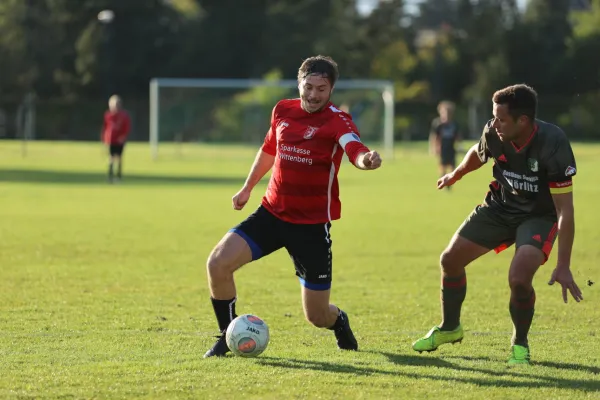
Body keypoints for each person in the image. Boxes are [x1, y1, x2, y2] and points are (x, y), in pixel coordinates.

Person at [204, 55, 382, 358]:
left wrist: (367, 160)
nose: (313, 95)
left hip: (311, 228)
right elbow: (269, 149)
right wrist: (247, 187)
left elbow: (354, 148)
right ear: (299, 83)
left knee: (316, 316)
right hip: (271, 214)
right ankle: (226, 335)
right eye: (308, 87)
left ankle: (338, 320)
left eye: (321, 89)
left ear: (331, 90)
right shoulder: (283, 110)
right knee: (217, 264)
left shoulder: (338, 121)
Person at [412, 84, 583, 365]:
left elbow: (565, 209)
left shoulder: (553, 142)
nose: (494, 123)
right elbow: (478, 154)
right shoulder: (495, 131)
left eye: (502, 118)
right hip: (500, 207)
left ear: (523, 121)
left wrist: (563, 265)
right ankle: (450, 328)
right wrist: (456, 174)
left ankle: (520, 343)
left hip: (538, 216)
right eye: (494, 117)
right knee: (450, 260)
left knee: (518, 279)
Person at [429, 101, 461, 189]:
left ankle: (449, 181)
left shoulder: (454, 124)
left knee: (452, 166)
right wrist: (434, 147)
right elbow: (435, 136)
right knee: (443, 165)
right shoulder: (438, 124)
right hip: (442, 147)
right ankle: (442, 180)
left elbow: (457, 136)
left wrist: (459, 144)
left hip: (451, 147)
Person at [102, 95, 131, 183]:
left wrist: (123, 137)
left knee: (119, 157)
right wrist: (105, 138)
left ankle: (118, 175)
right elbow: (105, 127)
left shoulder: (124, 116)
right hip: (111, 140)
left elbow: (126, 127)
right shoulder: (108, 115)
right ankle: (110, 174)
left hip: (119, 140)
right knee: (111, 157)